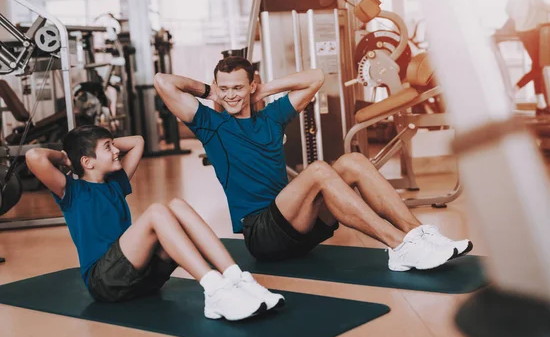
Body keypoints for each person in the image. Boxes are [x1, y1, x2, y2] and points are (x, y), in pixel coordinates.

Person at [154, 56, 473, 272]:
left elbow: (316, 78)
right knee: (320, 170)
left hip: (297, 224)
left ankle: (419, 235)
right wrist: (210, 92)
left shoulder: (271, 117)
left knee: (353, 161)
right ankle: (398, 246)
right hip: (263, 235)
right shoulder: (210, 123)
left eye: (238, 87)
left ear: (252, 85)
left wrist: (264, 89)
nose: (231, 95)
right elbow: (162, 81)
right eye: (224, 88)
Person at [25, 126, 284, 321]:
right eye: (107, 147)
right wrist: (66, 157)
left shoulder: (116, 184)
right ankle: (214, 289)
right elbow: (34, 156)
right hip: (104, 282)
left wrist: (97, 147)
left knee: (177, 206)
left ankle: (237, 279)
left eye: (113, 144)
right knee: (156, 212)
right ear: (87, 161)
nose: (116, 150)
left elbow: (137, 142)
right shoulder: (72, 192)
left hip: (141, 277)